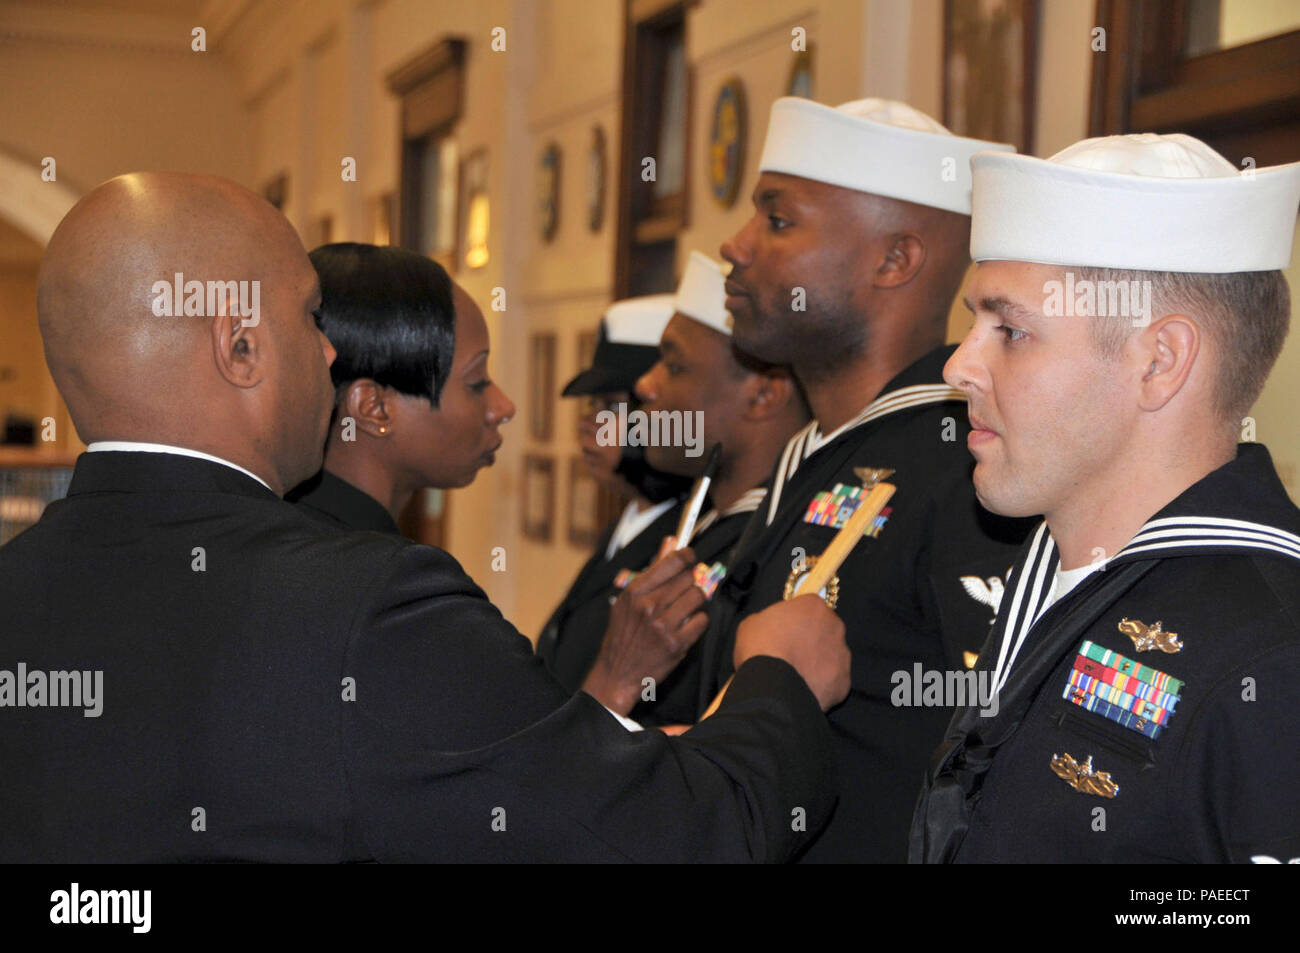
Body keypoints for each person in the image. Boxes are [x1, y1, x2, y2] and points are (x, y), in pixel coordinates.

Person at [0, 170, 853, 863]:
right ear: (241, 347)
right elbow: (674, 834)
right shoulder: (366, 608)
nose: (330, 352)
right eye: (307, 317)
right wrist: (779, 682)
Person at [911, 133, 1300, 863]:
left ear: (1159, 361)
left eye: (1012, 331)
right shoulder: (1058, 573)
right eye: (972, 326)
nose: (960, 364)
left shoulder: (1275, 658)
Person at [696, 98, 1037, 863]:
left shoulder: (966, 464)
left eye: (777, 221)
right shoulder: (820, 451)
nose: (736, 245)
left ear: (894, 261)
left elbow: (991, 756)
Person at [582, 252, 809, 726]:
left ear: (764, 393)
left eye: (674, 365)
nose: (644, 384)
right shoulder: (709, 526)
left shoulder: (782, 546)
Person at [287, 242, 515, 535]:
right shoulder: (387, 575)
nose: (504, 407)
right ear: (375, 408)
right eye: (476, 382)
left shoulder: (284, 533)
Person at [536, 296, 690, 693]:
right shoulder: (625, 526)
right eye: (590, 406)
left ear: (657, 412)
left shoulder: (686, 537)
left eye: (609, 406)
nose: (589, 424)